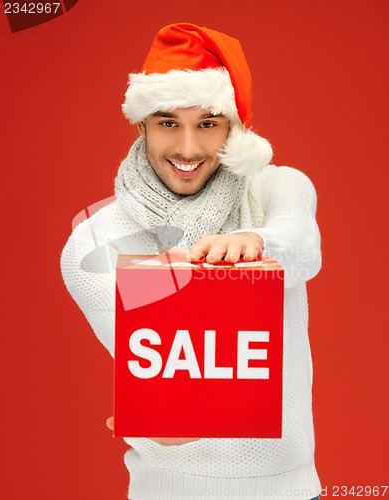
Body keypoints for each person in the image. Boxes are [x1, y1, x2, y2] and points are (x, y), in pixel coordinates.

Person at [61, 23, 322, 500]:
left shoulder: (275, 189)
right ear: (141, 124)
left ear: (233, 128)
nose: (186, 148)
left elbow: (302, 247)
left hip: (290, 489)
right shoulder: (96, 242)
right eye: (167, 122)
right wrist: (158, 411)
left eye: (206, 124)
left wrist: (254, 243)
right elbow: (165, 367)